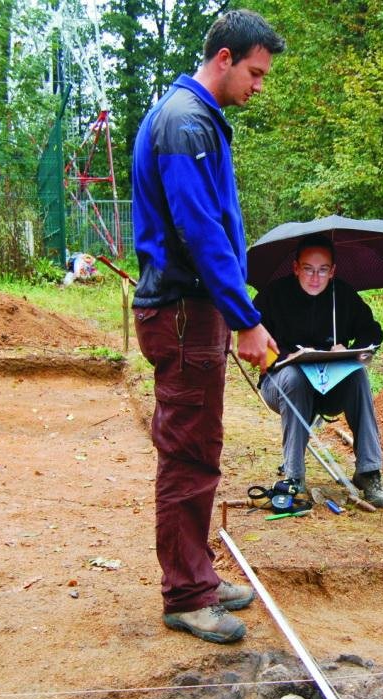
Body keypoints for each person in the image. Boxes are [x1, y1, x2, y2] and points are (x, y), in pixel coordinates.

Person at [130, 10, 284, 644]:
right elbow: (200, 234)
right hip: (186, 310)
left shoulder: (194, 120)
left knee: (202, 447)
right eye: (254, 72)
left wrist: (237, 309)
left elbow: (215, 226)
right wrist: (245, 318)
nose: (258, 85)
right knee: (189, 453)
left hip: (199, 310)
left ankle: (196, 572)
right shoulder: (185, 124)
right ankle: (187, 595)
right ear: (223, 58)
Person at [253, 234, 383, 507]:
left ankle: (369, 470)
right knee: (293, 376)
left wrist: (349, 351)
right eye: (308, 269)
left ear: (333, 270)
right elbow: (254, 342)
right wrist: (285, 356)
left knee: (357, 373)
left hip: (330, 387)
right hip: (282, 385)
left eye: (323, 270)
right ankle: (294, 477)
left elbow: (373, 333)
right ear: (295, 267)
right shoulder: (272, 296)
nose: (315, 277)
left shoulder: (343, 295)